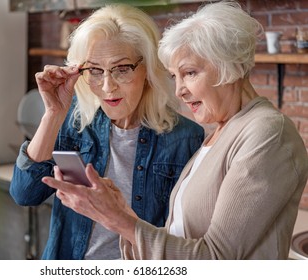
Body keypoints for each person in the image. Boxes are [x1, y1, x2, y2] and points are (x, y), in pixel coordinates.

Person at [43, 1, 308, 259]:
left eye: (190, 73)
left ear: (231, 65)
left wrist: (119, 220)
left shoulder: (267, 133)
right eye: (175, 77)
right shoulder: (220, 133)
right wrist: (122, 213)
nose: (179, 91)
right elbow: (181, 235)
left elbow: (216, 260)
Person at [10, 3, 204, 260]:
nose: (107, 85)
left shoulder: (186, 138)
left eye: (122, 69)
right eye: (94, 70)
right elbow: (25, 194)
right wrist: (53, 114)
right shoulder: (73, 122)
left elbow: (183, 239)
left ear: (147, 69)